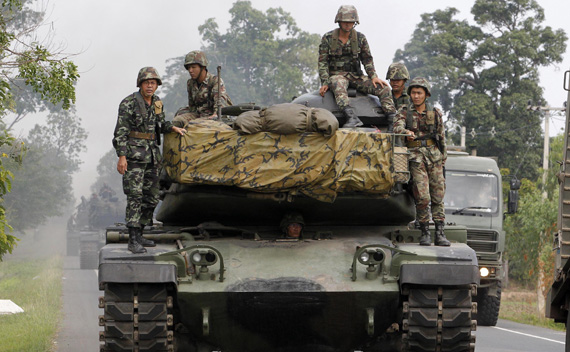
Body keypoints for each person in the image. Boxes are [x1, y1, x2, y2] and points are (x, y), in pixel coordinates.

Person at [113, 67, 186, 254]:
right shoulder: (128, 103)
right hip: (134, 157)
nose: (150, 86)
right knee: (135, 197)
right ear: (140, 84)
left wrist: (173, 128)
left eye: (153, 83)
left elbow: (160, 124)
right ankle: (133, 238)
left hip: (153, 156)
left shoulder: (157, 102)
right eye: (147, 82)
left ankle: (142, 232)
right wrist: (122, 156)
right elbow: (120, 132)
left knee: (152, 196)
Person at [393, 77, 450, 246]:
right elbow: (396, 127)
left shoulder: (435, 113)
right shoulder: (404, 111)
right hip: (415, 156)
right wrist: (406, 131)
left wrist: (443, 157)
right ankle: (424, 231)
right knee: (422, 196)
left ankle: (439, 232)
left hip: (434, 157)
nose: (416, 96)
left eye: (419, 93)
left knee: (438, 196)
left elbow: (441, 137)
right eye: (413, 92)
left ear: (426, 94)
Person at [318, 5, 395, 128]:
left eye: (351, 22)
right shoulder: (328, 38)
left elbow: (367, 59)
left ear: (355, 22)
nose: (348, 24)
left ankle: (391, 120)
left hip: (355, 76)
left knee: (383, 88)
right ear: (339, 21)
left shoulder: (360, 38)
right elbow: (322, 62)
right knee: (338, 85)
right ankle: (351, 117)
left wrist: (374, 77)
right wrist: (325, 82)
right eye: (345, 21)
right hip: (337, 76)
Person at [172, 50, 233, 127]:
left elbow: (220, 102)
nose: (190, 70)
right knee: (177, 121)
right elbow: (192, 106)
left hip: (213, 115)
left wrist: (215, 114)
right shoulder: (190, 83)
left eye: (193, 67)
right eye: (189, 68)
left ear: (202, 67)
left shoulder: (214, 81)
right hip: (199, 115)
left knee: (200, 125)